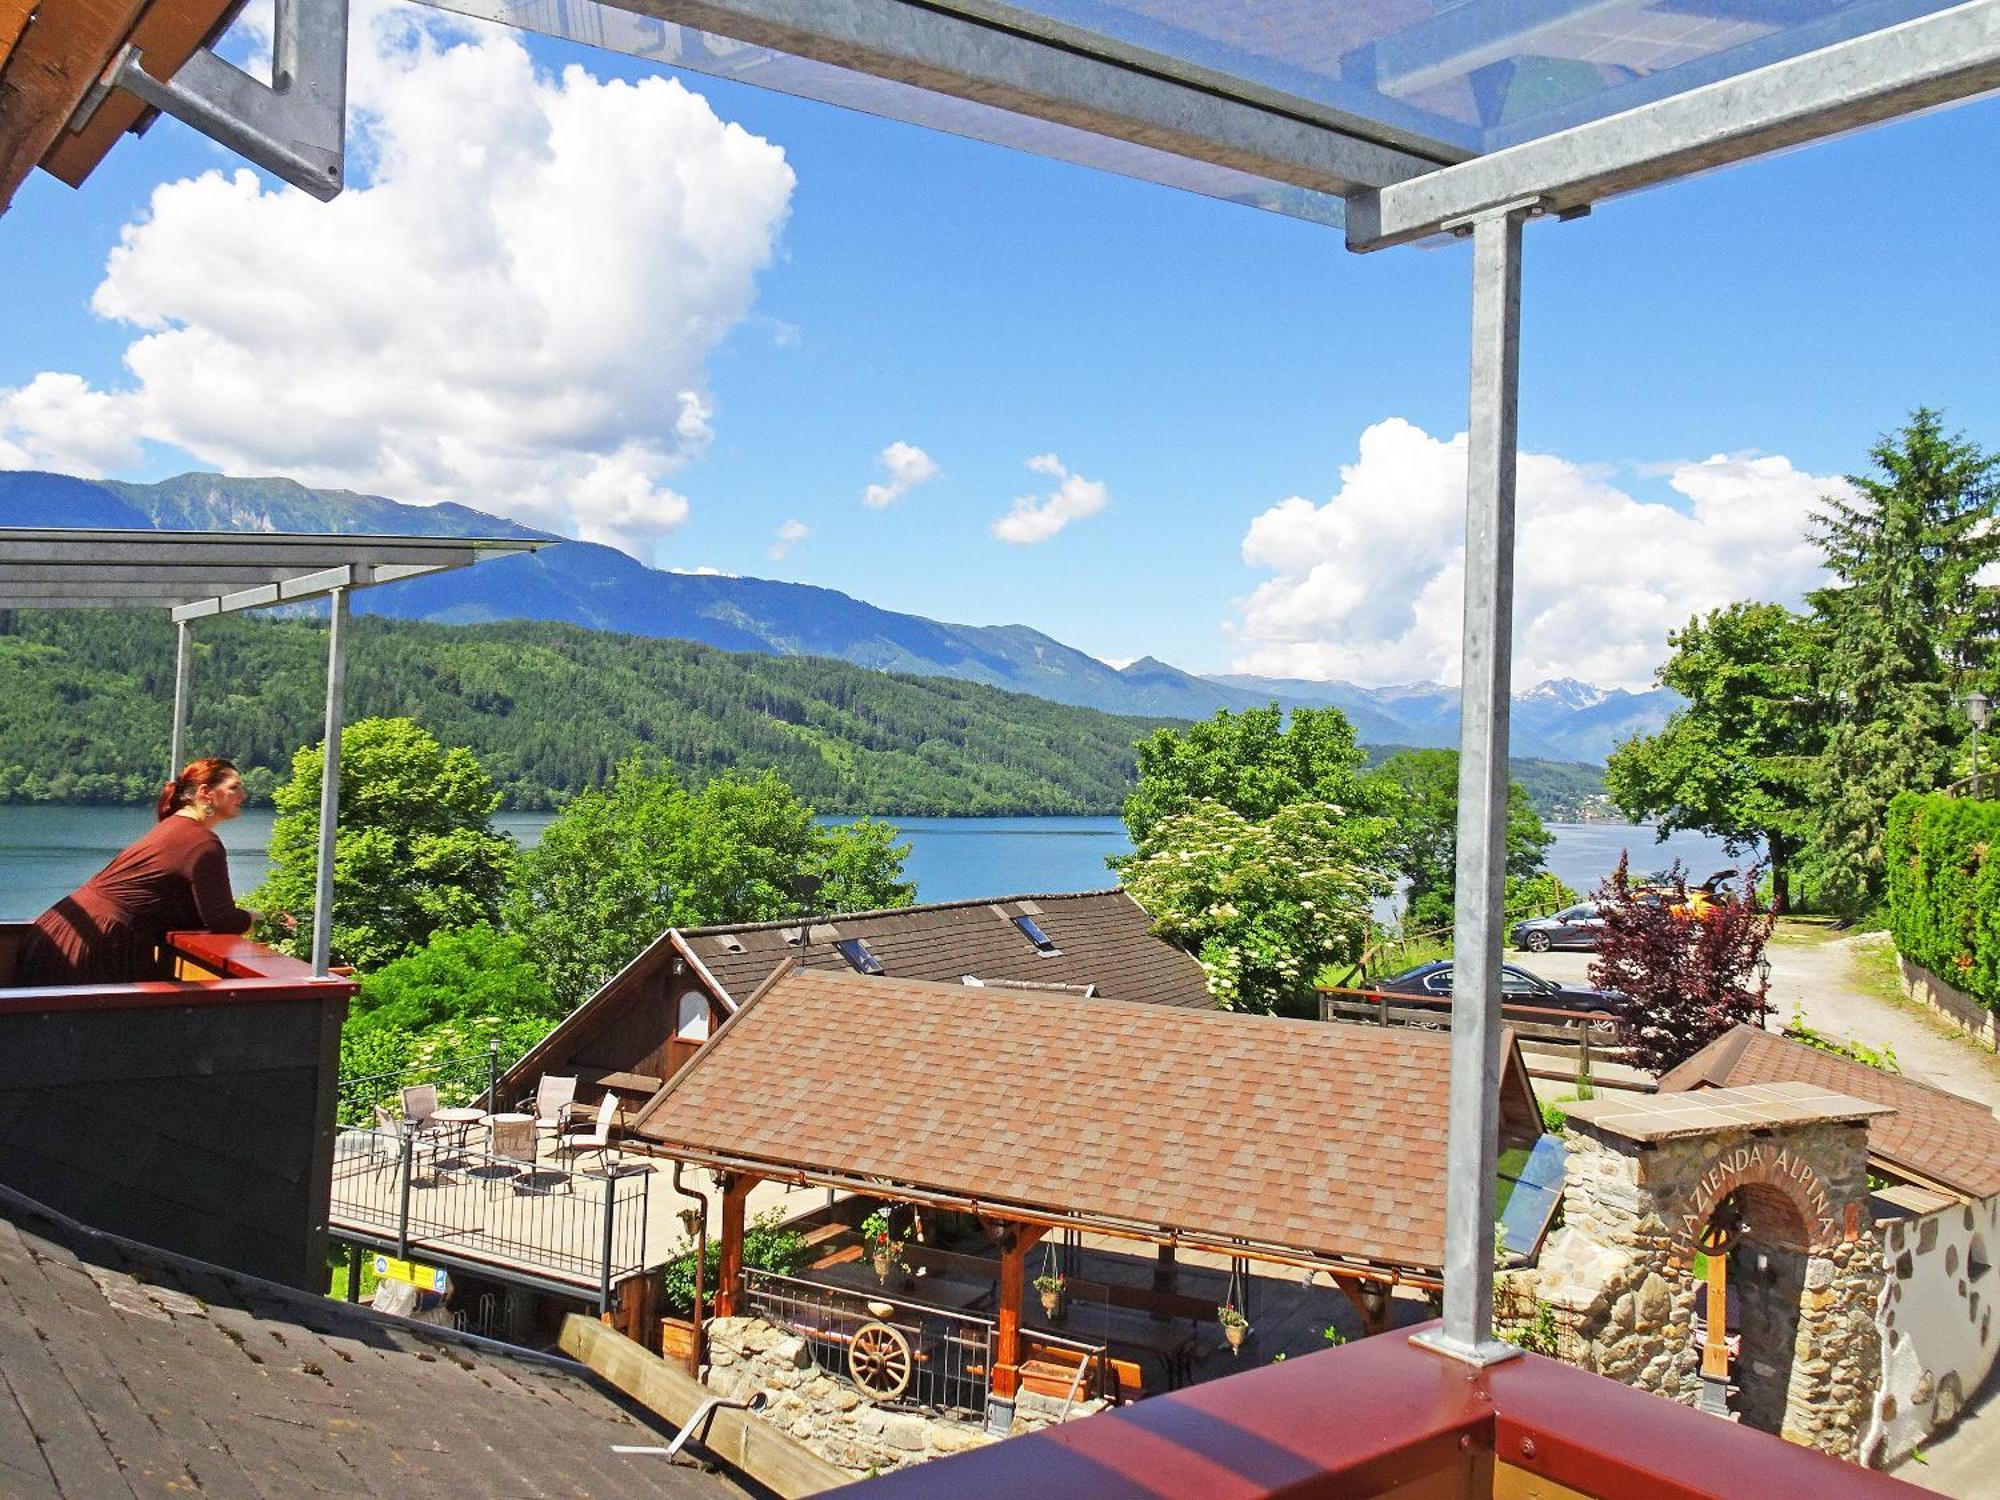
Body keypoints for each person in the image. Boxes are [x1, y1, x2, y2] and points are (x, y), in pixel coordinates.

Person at [18, 758, 261, 986]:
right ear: (205, 793)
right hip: (98, 944)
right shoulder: (203, 843)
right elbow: (223, 919)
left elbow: (182, 910)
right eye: (234, 788)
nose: (243, 795)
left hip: (65, 929)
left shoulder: (172, 827)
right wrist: (260, 918)